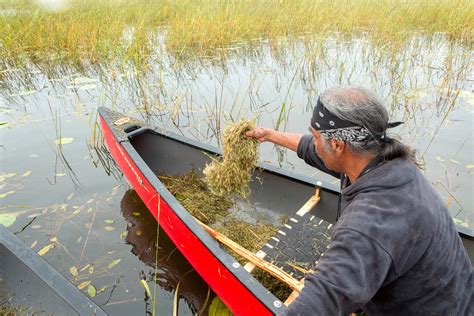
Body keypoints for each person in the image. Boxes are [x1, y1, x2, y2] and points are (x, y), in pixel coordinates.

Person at [245, 86, 472, 315]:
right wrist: (271, 135)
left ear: (336, 145)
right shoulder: (386, 161)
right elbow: (312, 151)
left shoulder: (367, 223)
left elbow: (322, 298)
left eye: (316, 137)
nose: (313, 143)